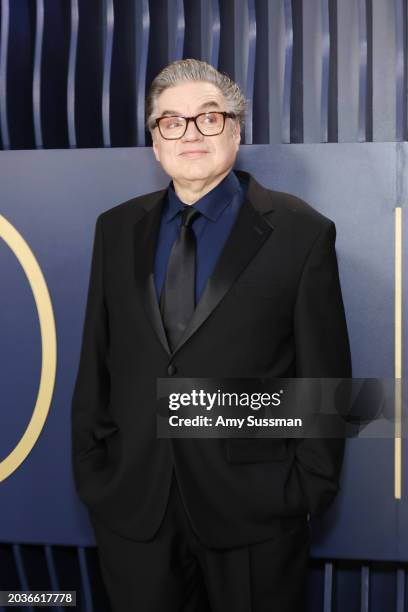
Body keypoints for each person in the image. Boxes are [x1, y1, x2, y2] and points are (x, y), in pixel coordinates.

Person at [71, 59, 351, 611]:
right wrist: (95, 473)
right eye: (170, 121)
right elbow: (95, 363)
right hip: (133, 513)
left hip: (254, 517)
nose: (190, 134)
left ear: (236, 130)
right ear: (155, 141)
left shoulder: (302, 232)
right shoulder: (115, 228)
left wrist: (301, 493)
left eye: (207, 118)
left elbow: (326, 381)